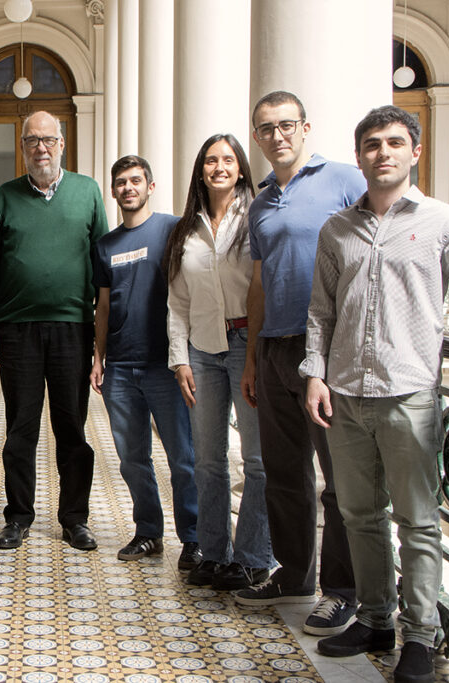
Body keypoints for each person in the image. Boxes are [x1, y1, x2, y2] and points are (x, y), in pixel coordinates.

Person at [302, 105, 449, 682]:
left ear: (414, 152)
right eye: (371, 144)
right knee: (359, 513)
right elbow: (321, 310)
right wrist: (315, 373)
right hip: (346, 392)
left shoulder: (443, 221)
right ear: (359, 155)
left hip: (409, 392)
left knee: (417, 521)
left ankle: (420, 635)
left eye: (393, 143)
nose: (382, 152)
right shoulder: (338, 229)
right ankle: (375, 617)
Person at [236, 91, 364, 636]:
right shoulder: (261, 202)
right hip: (274, 349)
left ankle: (343, 590)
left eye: (286, 125)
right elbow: (260, 283)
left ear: (305, 128)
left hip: (330, 352)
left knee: (338, 482)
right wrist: (252, 357)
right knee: (284, 475)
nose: (277, 136)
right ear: (258, 137)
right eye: (266, 129)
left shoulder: (343, 180)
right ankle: (294, 576)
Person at [0, 110, 108, 552]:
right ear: (23, 148)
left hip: (74, 328)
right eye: (32, 141)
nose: (41, 148)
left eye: (48, 140)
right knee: (20, 428)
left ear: (62, 143)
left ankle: (75, 519)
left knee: (71, 427)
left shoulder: (87, 192)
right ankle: (18, 517)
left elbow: (103, 267)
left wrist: (101, 341)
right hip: (16, 330)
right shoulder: (6, 197)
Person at [165, 135, 274, 589]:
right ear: (200, 170)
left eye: (228, 159)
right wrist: (180, 358)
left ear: (242, 167)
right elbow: (176, 301)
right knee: (208, 459)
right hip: (203, 350)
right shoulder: (187, 228)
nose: (219, 167)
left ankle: (252, 556)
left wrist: (253, 355)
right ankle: (213, 552)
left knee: (256, 459)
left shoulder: (259, 215)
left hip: (248, 343)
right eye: (210, 160)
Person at [90, 155, 200, 568]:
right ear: (114, 191)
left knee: (182, 457)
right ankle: (149, 532)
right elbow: (102, 305)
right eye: (121, 182)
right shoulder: (106, 245)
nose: (128, 188)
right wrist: (98, 357)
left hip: (166, 365)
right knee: (133, 458)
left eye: (135, 180)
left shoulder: (172, 230)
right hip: (119, 366)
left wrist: (187, 355)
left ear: (150, 186)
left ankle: (192, 538)